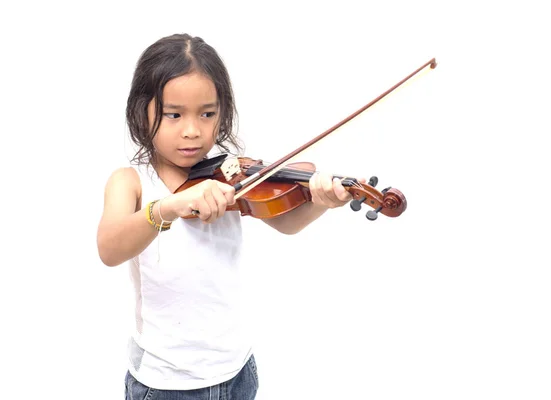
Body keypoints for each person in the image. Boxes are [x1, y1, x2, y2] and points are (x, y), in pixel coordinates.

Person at [97, 33, 358, 400]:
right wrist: (170, 206)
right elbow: (109, 247)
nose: (193, 130)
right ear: (144, 111)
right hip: (166, 383)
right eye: (174, 114)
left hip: (236, 372)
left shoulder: (230, 175)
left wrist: (322, 200)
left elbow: (286, 221)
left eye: (207, 114)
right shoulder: (132, 182)